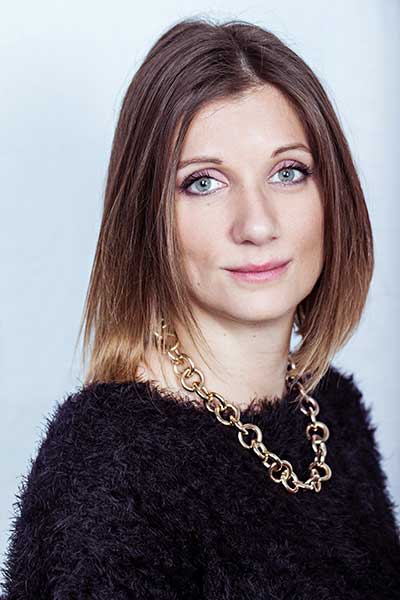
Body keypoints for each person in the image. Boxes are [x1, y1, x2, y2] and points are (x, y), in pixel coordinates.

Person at [1, 16, 400, 600]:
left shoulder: (331, 411)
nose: (257, 224)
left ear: (333, 194)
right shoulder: (114, 464)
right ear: (147, 218)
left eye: (288, 172)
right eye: (204, 183)